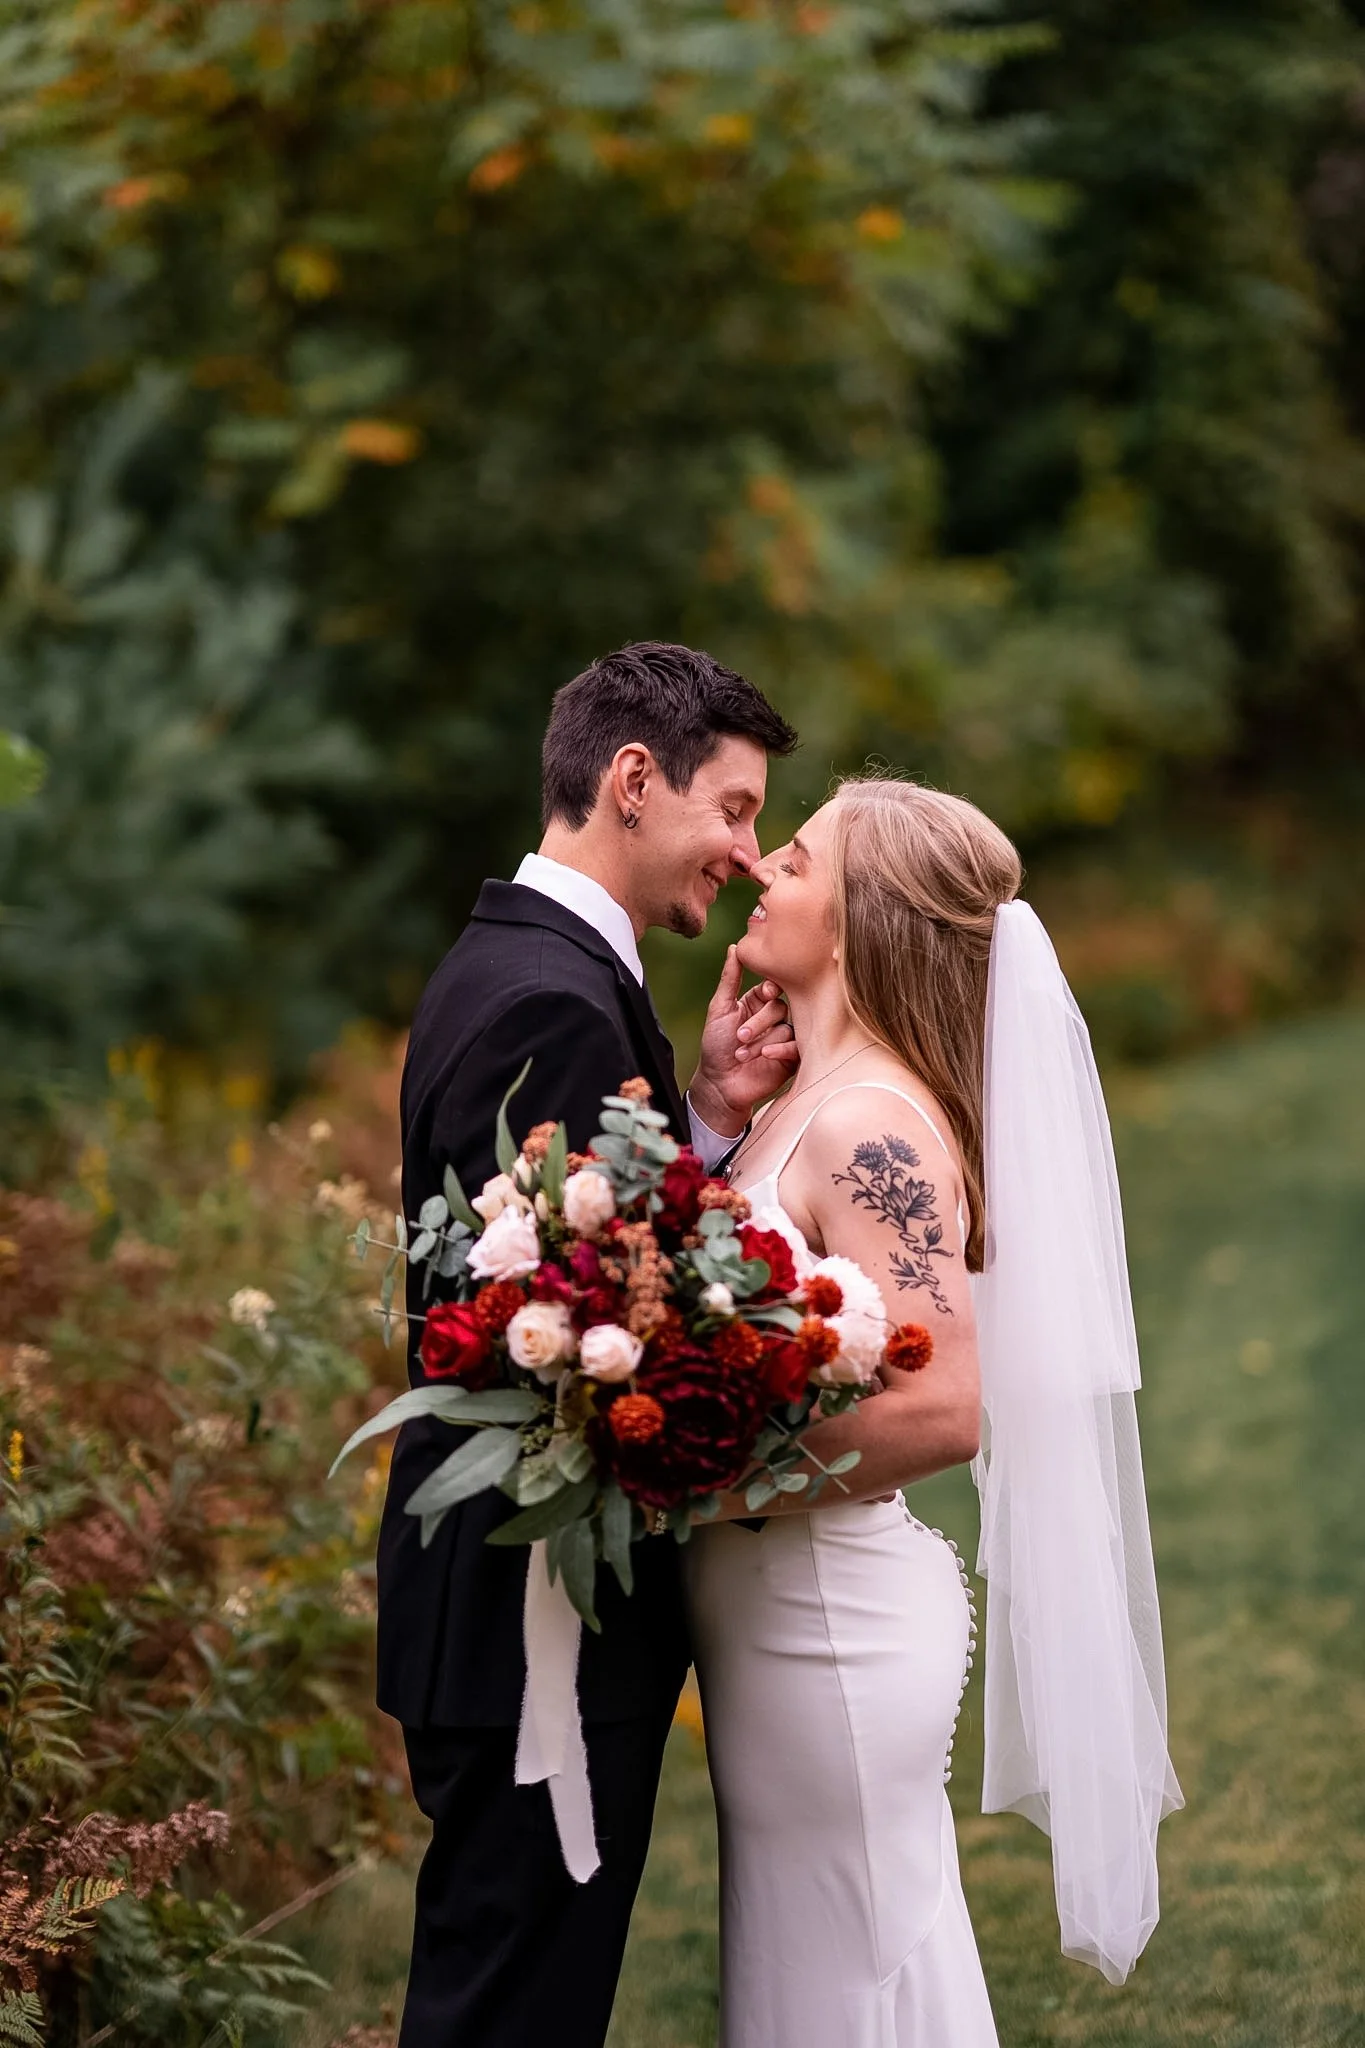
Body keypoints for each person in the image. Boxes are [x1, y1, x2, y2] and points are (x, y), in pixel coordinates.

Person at [685, 776, 1183, 2046]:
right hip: (781, 1616)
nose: (759, 872)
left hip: (829, 1629)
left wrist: (705, 1482)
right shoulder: (809, 1101)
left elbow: (945, 1408)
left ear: (855, 922)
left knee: (850, 1977)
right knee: (826, 1966)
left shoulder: (871, 1128)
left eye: (792, 861)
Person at [376, 642, 799, 2048]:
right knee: (510, 2018)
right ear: (633, 780)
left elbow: (567, 1254)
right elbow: (560, 1333)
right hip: (530, 1620)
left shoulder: (526, 965)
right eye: (732, 809)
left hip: (514, 1618)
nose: (744, 855)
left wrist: (702, 1122)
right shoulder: (549, 1000)